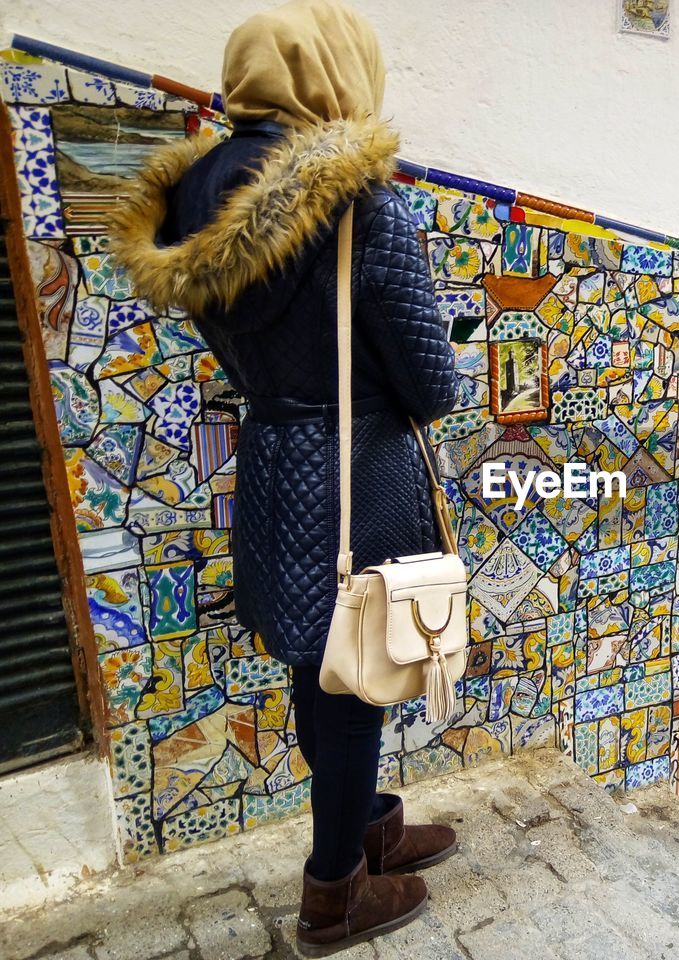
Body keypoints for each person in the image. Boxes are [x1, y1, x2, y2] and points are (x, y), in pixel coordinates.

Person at [108, 0, 459, 953]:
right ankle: (333, 890)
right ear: (336, 72)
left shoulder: (191, 197)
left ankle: (370, 825)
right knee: (353, 676)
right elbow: (435, 382)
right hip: (361, 472)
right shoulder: (358, 200)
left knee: (326, 661)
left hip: (274, 466)